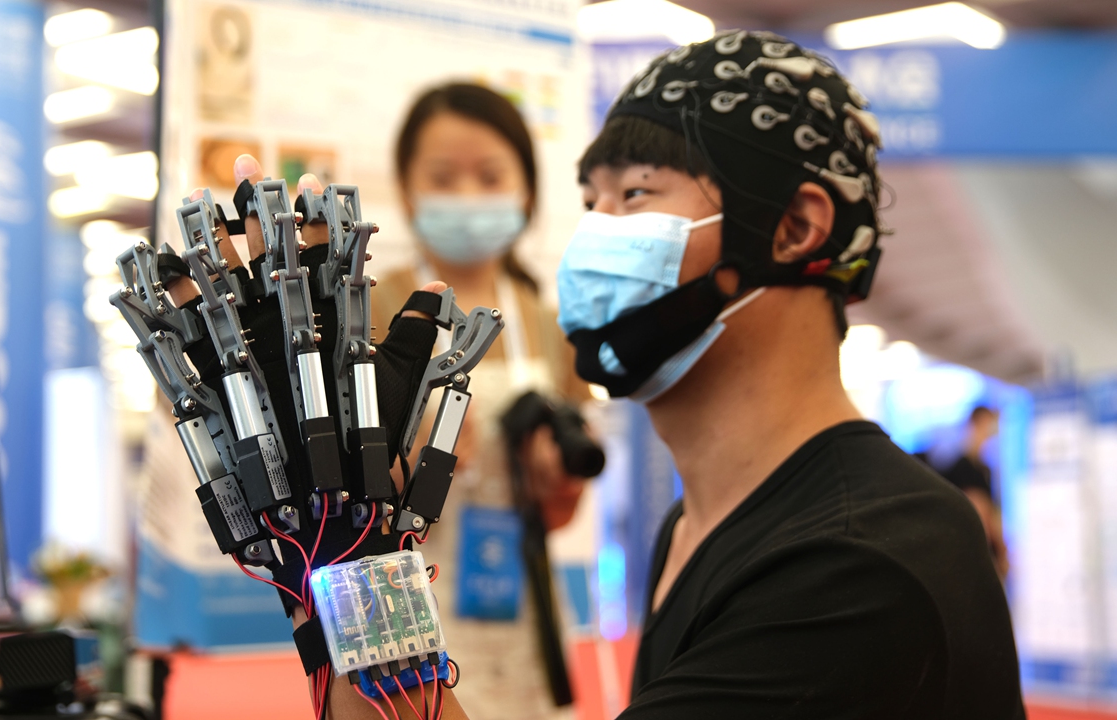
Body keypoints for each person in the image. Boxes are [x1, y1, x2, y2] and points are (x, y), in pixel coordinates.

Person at [320, 31, 1024, 718]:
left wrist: (352, 567)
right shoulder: (693, 528)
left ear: (793, 228)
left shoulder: (861, 561)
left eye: (635, 194)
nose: (595, 233)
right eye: (591, 202)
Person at [369, 82, 592, 720]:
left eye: (489, 175)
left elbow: (560, 514)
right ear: (409, 190)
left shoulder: (548, 324)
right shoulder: (376, 309)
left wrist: (555, 478)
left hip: (525, 605)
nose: (468, 195)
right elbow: (341, 498)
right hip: (408, 599)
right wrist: (410, 463)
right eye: (444, 176)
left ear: (524, 190)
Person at [942, 405, 1009, 578]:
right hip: (975, 554)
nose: (991, 432)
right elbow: (983, 510)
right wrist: (1001, 550)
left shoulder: (984, 469)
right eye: (988, 424)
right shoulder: (960, 468)